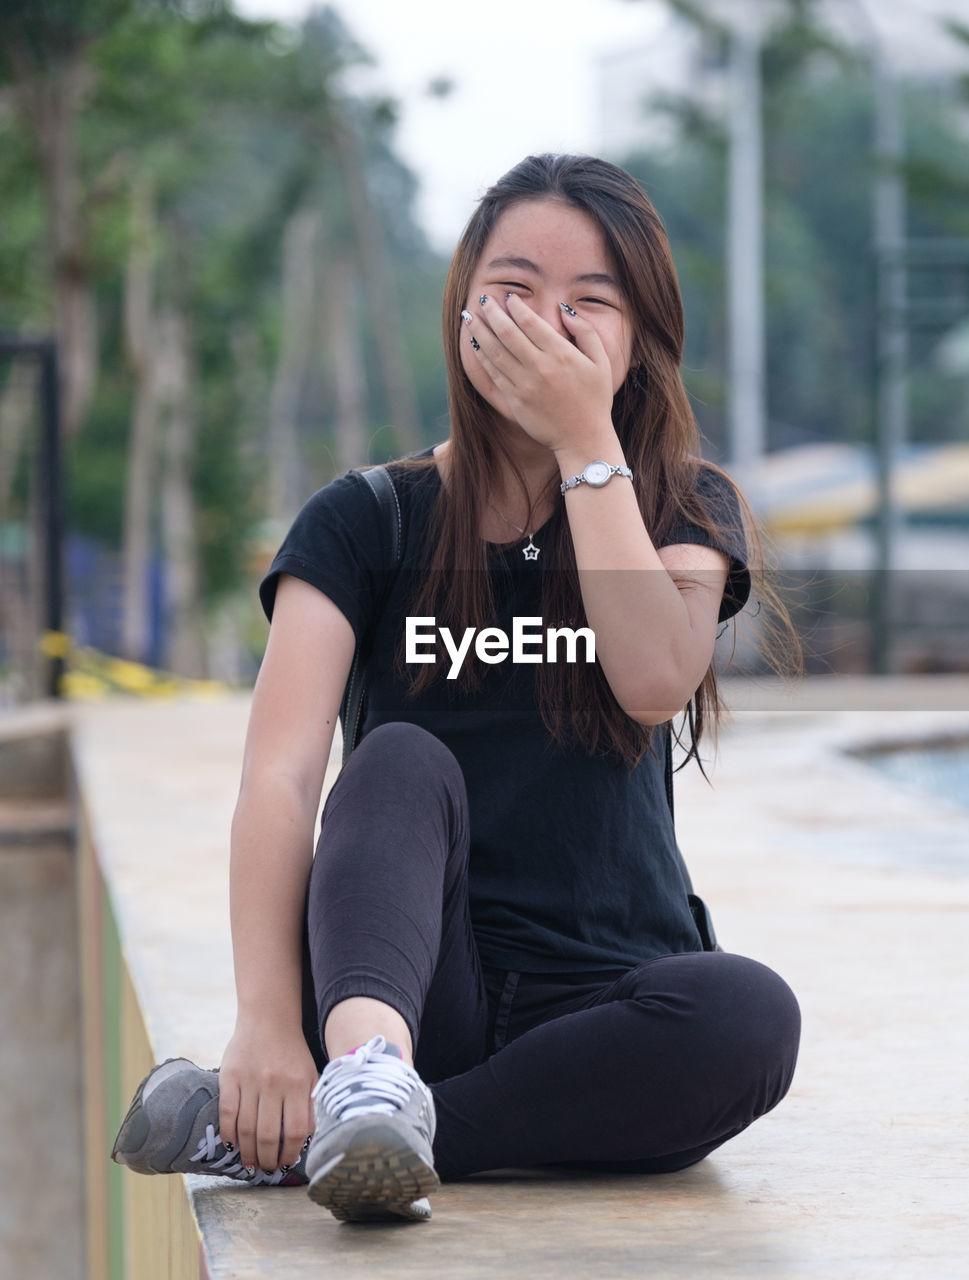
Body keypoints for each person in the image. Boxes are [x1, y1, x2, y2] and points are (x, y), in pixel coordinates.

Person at [112, 153, 801, 1224]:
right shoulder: (365, 520)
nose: (546, 323)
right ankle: (366, 1081)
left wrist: (583, 441)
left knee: (751, 1014)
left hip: (609, 1004)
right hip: (404, 992)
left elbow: (655, 678)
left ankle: (356, 1135)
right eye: (515, 289)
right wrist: (263, 1023)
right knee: (396, 757)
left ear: (637, 341)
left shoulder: (683, 503)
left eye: (589, 303)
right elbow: (282, 776)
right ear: (463, 309)